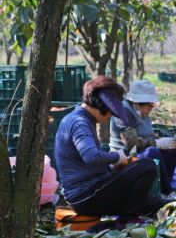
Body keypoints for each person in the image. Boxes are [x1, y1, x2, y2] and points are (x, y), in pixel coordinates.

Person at [55, 76, 163, 218]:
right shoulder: (79, 123)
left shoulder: (82, 118)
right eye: (111, 111)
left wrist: (111, 167)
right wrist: (117, 157)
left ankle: (148, 207)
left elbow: (88, 162)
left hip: (94, 188)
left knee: (154, 203)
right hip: (86, 195)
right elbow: (91, 157)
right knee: (147, 166)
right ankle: (127, 218)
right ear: (102, 106)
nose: (111, 116)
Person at [110, 80, 176, 196]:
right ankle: (166, 191)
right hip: (125, 157)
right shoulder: (123, 113)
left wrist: (165, 141)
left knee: (174, 148)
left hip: (141, 152)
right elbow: (131, 143)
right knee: (153, 151)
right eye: (150, 105)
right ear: (138, 103)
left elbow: (148, 134)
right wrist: (157, 143)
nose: (151, 108)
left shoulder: (142, 113)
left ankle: (164, 184)